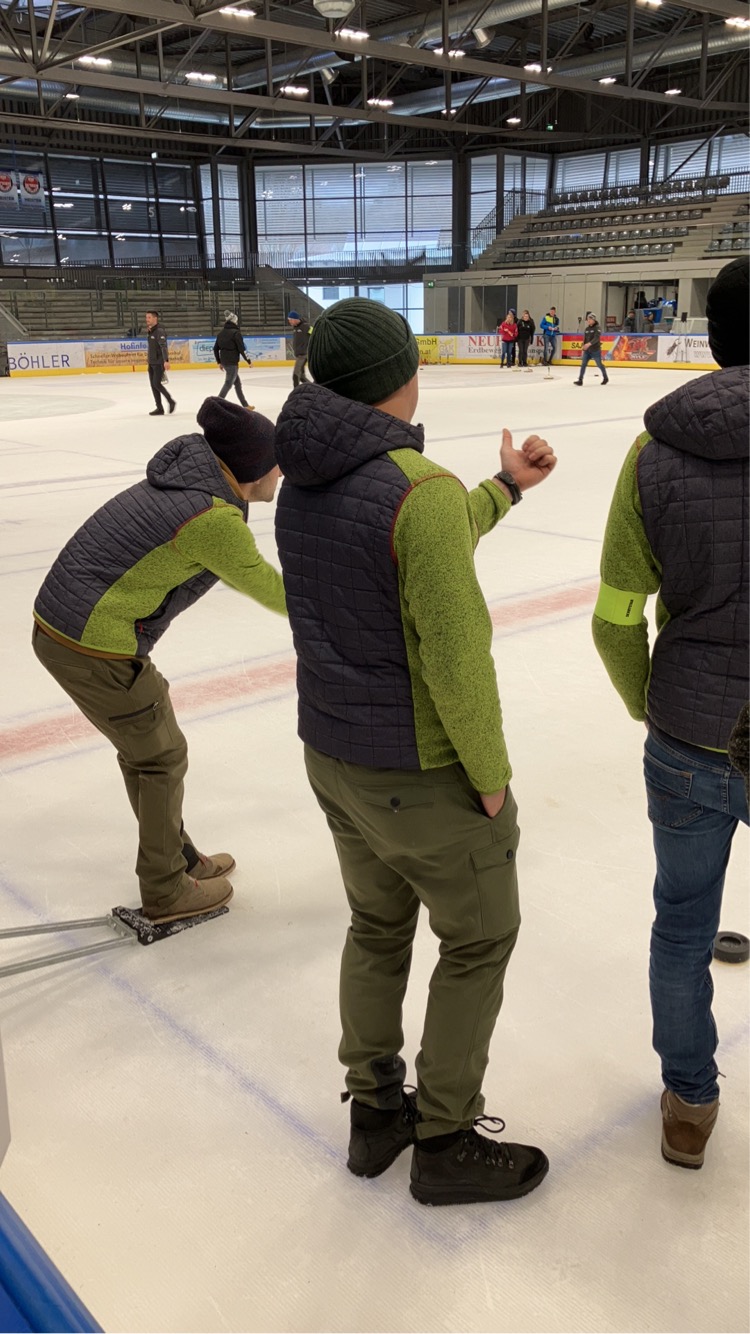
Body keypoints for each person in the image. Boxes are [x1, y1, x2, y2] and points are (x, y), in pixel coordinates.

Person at [274, 298, 557, 1207]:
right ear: (406, 372)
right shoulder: (416, 490)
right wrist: (491, 781)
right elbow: (457, 659)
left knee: (376, 926)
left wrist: (503, 487)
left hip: (334, 758)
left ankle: (375, 1114)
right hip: (419, 772)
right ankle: (444, 1137)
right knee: (480, 937)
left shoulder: (306, 476)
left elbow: (409, 542)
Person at [592, 256, 749, 1170]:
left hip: (689, 737)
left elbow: (618, 615)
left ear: (712, 337)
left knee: (683, 927)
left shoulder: (654, 454)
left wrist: (649, 704)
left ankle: (690, 1102)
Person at [32, 399, 286, 924]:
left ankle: (179, 858)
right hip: (90, 642)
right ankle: (166, 889)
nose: (281, 472)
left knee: (148, 749)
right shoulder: (211, 518)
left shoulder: (192, 482)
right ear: (251, 467)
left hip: (66, 628)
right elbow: (267, 586)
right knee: (160, 756)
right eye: (275, 462)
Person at [214, 311, 254, 410]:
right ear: (234, 321)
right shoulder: (236, 333)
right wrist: (248, 361)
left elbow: (215, 349)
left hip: (224, 362)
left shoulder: (221, 333)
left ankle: (245, 405)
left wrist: (219, 362)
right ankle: (216, 405)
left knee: (237, 384)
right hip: (232, 363)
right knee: (228, 383)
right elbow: (242, 349)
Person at [145, 309, 176, 418]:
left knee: (156, 383)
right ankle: (159, 408)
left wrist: (166, 360)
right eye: (146, 317)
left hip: (158, 362)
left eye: (149, 317)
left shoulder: (159, 331)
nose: (147, 319)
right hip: (151, 362)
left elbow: (163, 346)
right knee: (153, 385)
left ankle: (171, 401)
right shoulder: (151, 331)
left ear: (155, 318)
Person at [573, 313, 609, 386]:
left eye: (590, 319)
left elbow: (596, 338)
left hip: (595, 350)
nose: (588, 321)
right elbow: (585, 339)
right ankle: (580, 380)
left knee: (599, 364)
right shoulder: (587, 329)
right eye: (588, 319)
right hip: (587, 351)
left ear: (593, 320)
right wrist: (584, 347)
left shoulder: (597, 328)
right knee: (583, 364)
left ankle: (605, 378)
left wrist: (589, 344)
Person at [288, 311, 311, 387]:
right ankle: (314, 388)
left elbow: (315, 333)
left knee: (296, 375)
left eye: (290, 320)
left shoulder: (306, 326)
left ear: (295, 319)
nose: (289, 322)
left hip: (303, 354)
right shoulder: (295, 328)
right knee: (301, 377)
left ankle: (296, 392)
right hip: (299, 354)